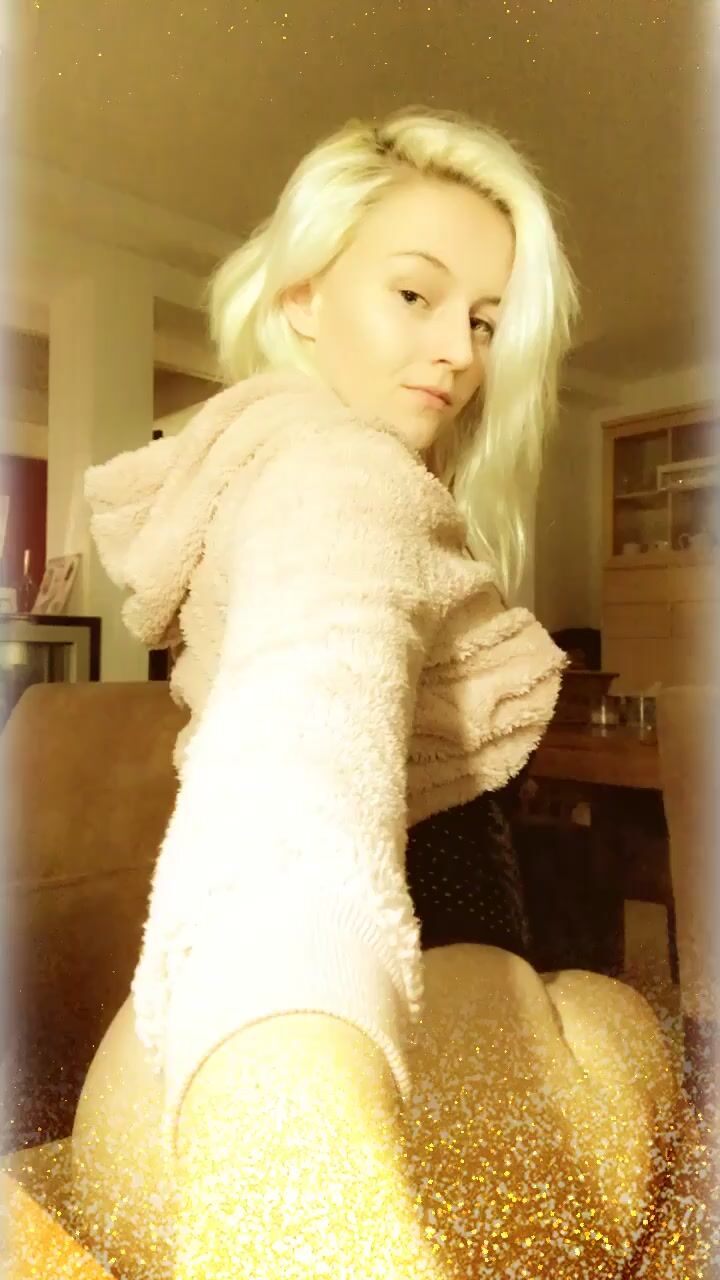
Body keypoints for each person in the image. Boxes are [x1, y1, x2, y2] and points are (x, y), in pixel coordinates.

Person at [71, 108, 702, 1279]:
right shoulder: (340, 474)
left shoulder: (267, 463)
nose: (457, 350)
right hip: (356, 1087)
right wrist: (287, 1138)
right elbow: (300, 747)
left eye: (483, 320)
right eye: (415, 294)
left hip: (145, 1090)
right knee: (627, 1022)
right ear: (304, 294)